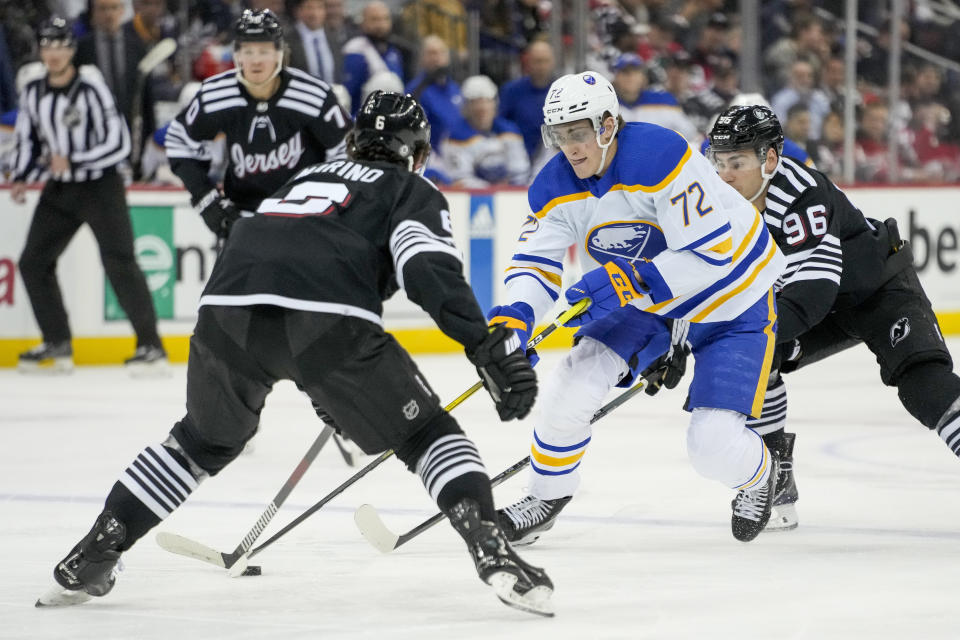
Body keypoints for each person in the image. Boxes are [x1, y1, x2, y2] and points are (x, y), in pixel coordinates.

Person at [36, 91, 553, 617]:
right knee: (427, 435)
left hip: (223, 313)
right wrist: (484, 347)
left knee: (197, 443)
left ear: (352, 141)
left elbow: (278, 264)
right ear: (418, 155)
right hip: (326, 325)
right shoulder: (409, 190)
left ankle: (95, 550)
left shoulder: (304, 180)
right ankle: (491, 547)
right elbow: (426, 273)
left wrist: (321, 385)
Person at [490, 71, 787, 546]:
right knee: (573, 381)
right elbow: (533, 262)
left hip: (731, 294)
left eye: (579, 133)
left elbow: (711, 255)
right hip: (646, 296)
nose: (571, 148)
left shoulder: (659, 155)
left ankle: (759, 475)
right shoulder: (552, 186)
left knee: (710, 445)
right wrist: (515, 319)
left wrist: (627, 278)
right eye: (559, 136)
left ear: (608, 126)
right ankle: (546, 497)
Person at [707, 104, 960, 531]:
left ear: (769, 159)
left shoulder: (804, 194)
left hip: (876, 290)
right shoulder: (716, 202)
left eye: (738, 162)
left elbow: (812, 294)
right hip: (816, 306)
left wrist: (743, 330)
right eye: (720, 162)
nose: (725, 174)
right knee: (755, 357)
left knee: (924, 386)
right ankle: (775, 478)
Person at [12, 17, 166, 373]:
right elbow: (26, 137)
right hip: (61, 189)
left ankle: (151, 345)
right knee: (33, 262)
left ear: (71, 50)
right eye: (47, 45)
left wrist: (75, 159)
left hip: (101, 187)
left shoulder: (91, 87)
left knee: (120, 262)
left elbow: (119, 142)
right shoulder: (33, 91)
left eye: (60, 45)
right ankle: (58, 340)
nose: (53, 53)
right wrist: (19, 175)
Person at [164, 8, 350, 238]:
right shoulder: (216, 94)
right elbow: (179, 140)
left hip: (303, 218)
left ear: (279, 53)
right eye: (248, 51)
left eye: (264, 51)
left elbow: (346, 149)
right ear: (237, 55)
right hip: (243, 218)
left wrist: (324, 202)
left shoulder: (313, 95)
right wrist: (206, 199)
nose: (256, 60)